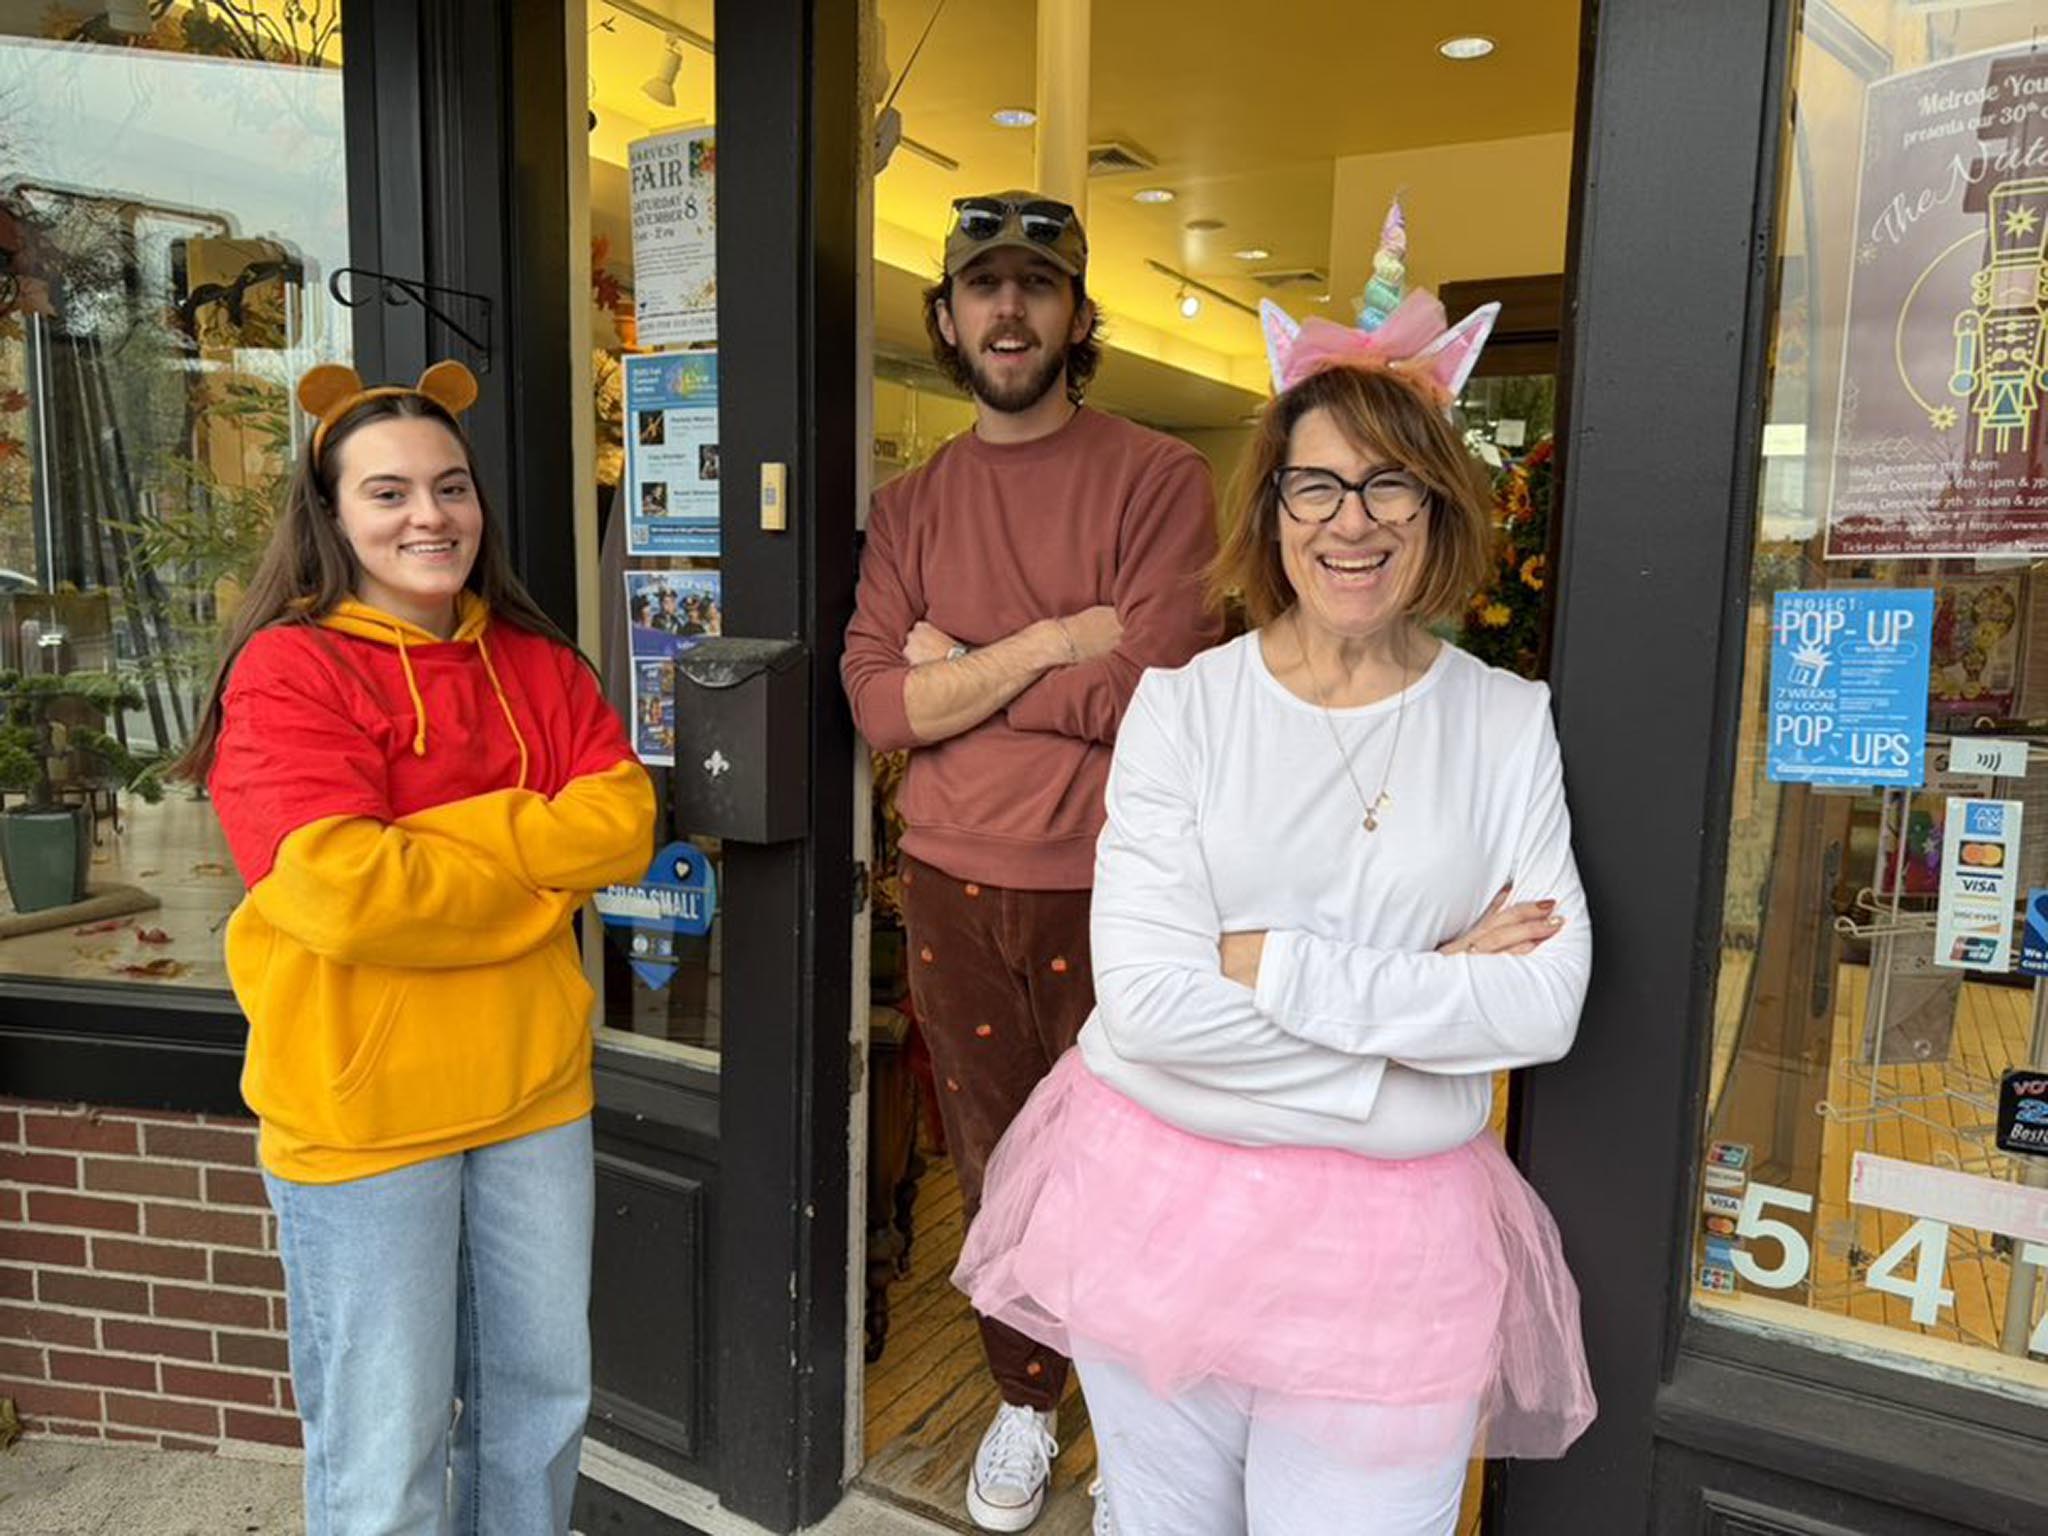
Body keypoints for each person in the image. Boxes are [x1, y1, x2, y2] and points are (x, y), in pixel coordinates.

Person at [953, 272, 1597, 1536]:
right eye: (1316, 486)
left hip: (1392, 1255)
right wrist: (1429, 997)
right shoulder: (1183, 710)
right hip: (1156, 1210)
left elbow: (1542, 1003)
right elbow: (1147, 1006)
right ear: (1271, 506)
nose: (1350, 522)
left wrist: (1265, 963)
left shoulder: (1502, 722)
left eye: (1388, 485)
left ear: (1436, 505)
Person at [179, 361, 656, 1536]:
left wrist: (431, 842)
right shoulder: (289, 670)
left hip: (533, 1093)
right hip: (362, 1111)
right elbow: (344, 892)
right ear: (330, 514)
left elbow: (623, 824)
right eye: (386, 492)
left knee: (539, 1411)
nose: (428, 516)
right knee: (385, 1445)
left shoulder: (537, 661)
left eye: (450, 486)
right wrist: (532, 852)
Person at [842, 191, 1222, 1532]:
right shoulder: (911, 504)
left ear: (1075, 316)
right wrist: (1061, 641)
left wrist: (965, 669)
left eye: (1037, 286)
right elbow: (880, 704)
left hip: (1117, 884)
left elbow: (1157, 689)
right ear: (947, 319)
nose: (1009, 310)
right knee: (997, 1160)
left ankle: (1139, 1410)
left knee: (1141, 1162)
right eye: (983, 287)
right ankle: (1023, 1399)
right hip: (948, 882)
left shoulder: (1157, 478)